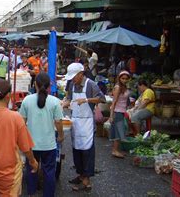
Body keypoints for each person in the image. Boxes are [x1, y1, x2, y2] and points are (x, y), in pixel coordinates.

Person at [62, 63, 105, 192]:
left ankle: (87, 181)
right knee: (76, 150)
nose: (72, 79)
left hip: (86, 122)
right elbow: (69, 98)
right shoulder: (71, 85)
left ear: (81, 74)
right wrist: (64, 103)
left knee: (87, 152)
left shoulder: (90, 84)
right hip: (75, 121)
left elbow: (101, 99)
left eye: (74, 76)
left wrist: (86, 100)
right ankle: (80, 175)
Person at [19, 73, 64, 197]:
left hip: (31, 144)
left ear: (35, 84)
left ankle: (31, 194)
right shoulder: (55, 102)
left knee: (32, 169)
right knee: (49, 172)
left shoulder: (27, 100)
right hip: (49, 144)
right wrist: (60, 136)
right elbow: (59, 122)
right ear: (49, 85)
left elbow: (21, 122)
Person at [109, 71, 131, 158]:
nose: (124, 80)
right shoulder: (118, 88)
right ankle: (114, 150)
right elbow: (114, 102)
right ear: (119, 78)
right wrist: (111, 115)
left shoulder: (124, 87)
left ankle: (116, 150)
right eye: (123, 78)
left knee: (119, 130)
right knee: (117, 131)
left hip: (121, 111)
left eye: (126, 79)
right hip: (117, 112)